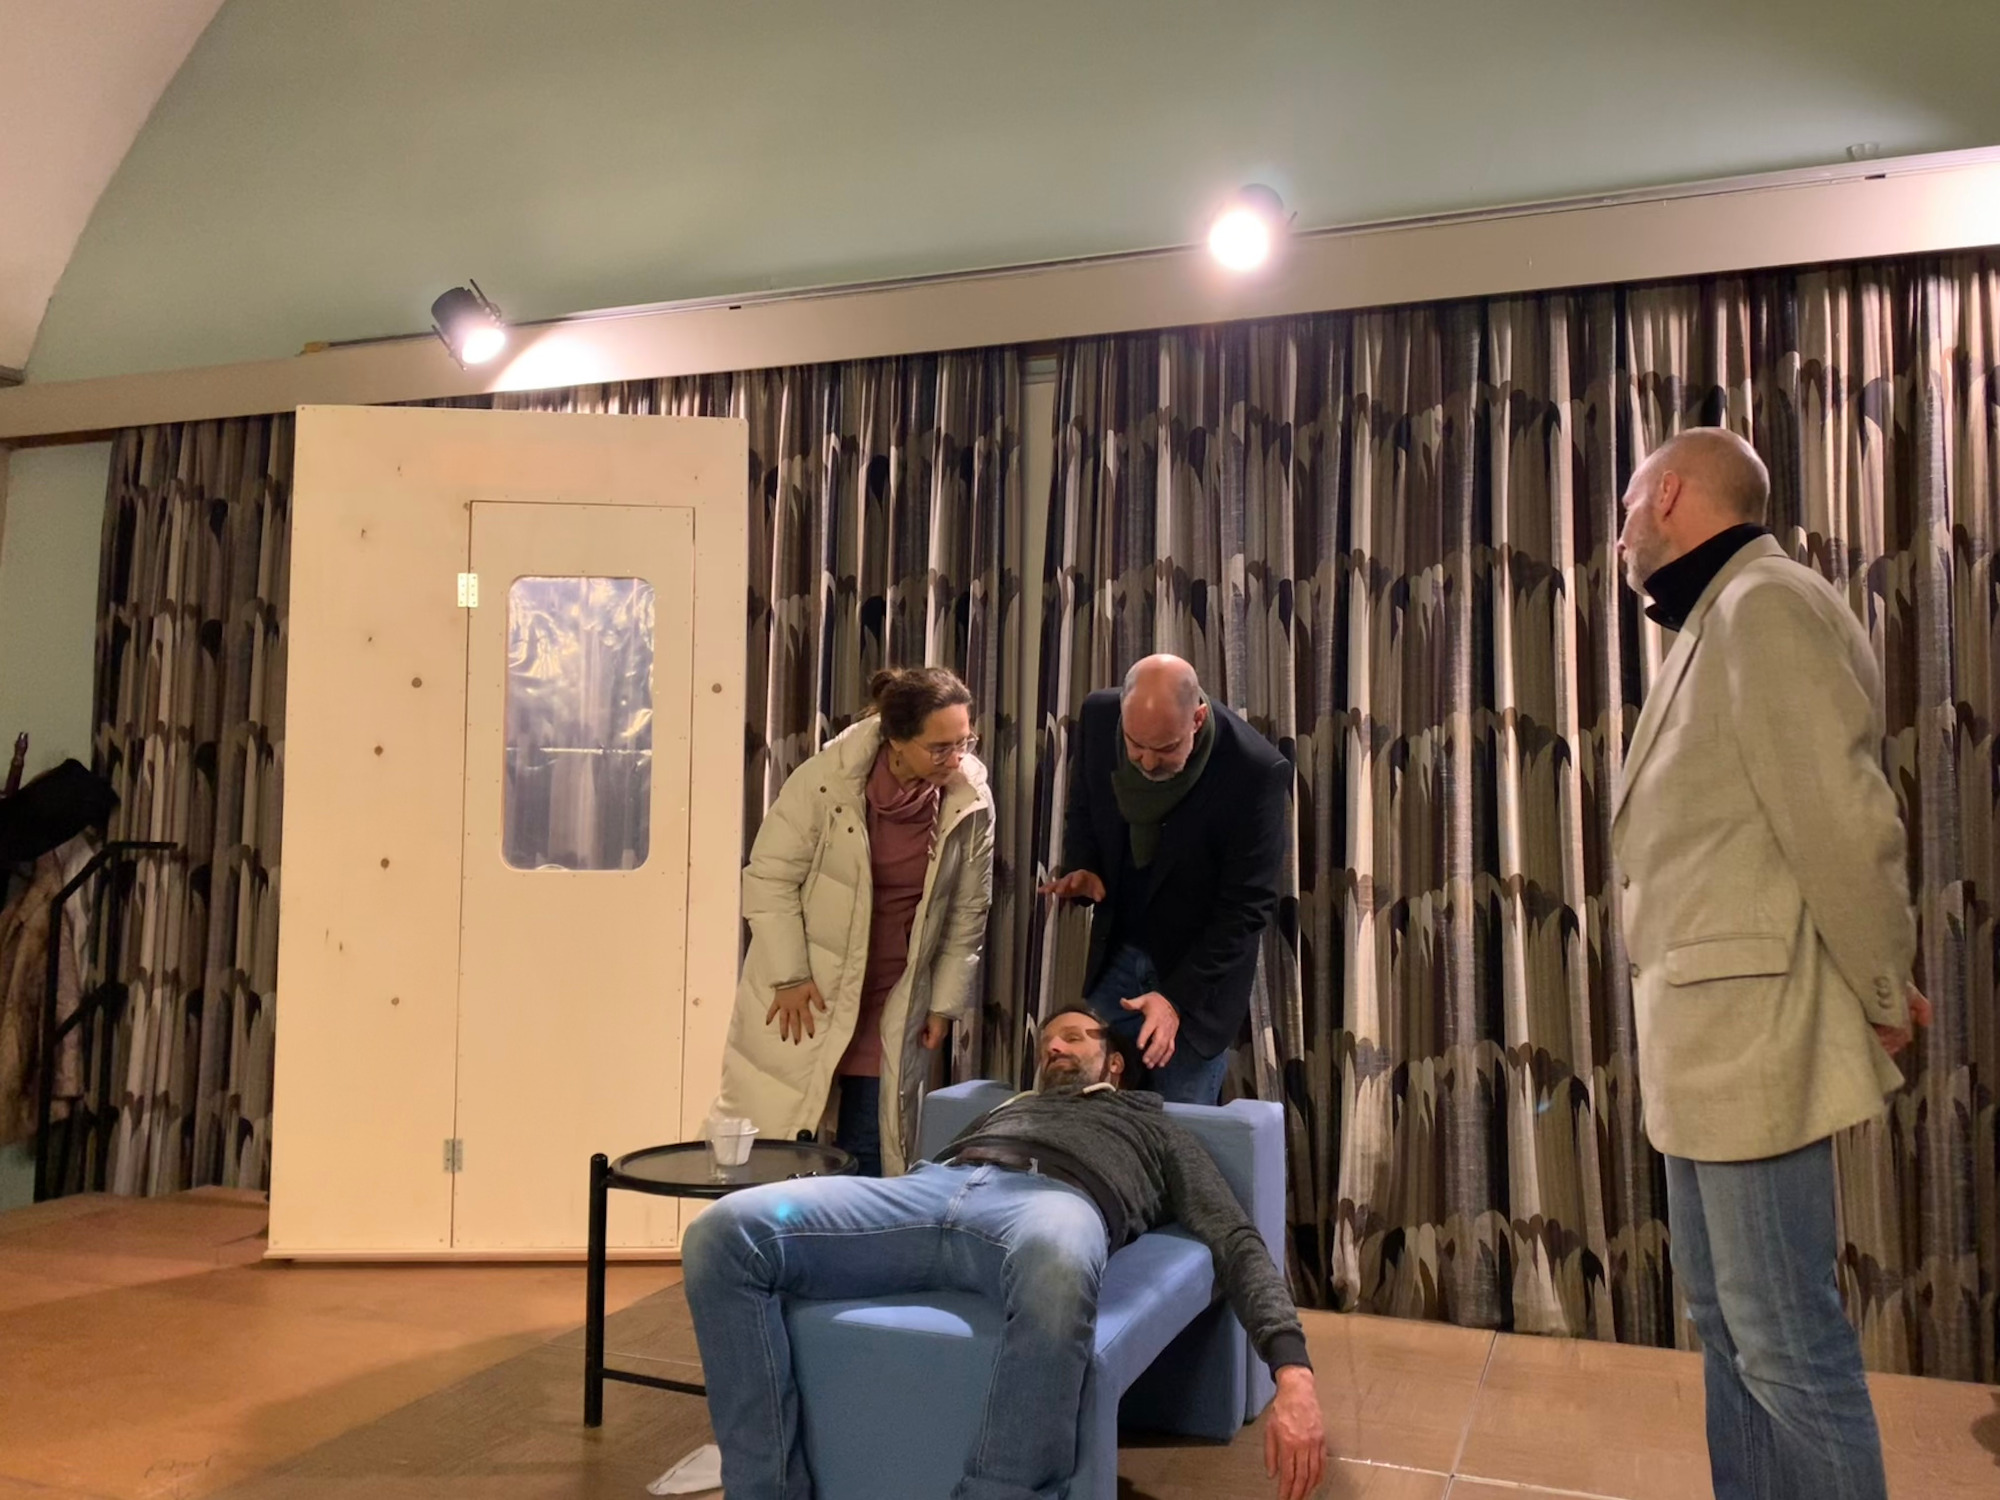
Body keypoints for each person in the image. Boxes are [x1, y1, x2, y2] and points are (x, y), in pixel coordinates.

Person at [1612, 427, 1933, 1500]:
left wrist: (1879, 985)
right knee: (1728, 1325)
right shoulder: (1719, 616)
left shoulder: (1764, 605)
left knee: (1784, 1338)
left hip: (1752, 1038)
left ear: (1668, 493)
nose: (1621, 532)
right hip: (1708, 1041)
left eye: (1627, 505)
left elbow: (1842, 822)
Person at [683, 1008, 1328, 1500]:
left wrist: (1292, 1371)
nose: (1054, 1047)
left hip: (1052, 1202)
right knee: (723, 1233)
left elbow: (1235, 1237)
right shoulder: (1011, 1106)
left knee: (1059, 1268)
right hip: (928, 1190)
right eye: (1047, 1042)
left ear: (1114, 1064)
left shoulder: (1153, 1124)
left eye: (1073, 1037)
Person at [717, 665, 994, 1177]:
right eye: (940, 748)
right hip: (811, 990)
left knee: (871, 1149)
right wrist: (790, 975)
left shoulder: (968, 798)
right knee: (783, 1144)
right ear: (897, 741)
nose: (956, 758)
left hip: (894, 996)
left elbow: (967, 909)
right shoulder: (825, 782)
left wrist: (943, 1003)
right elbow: (768, 879)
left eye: (965, 742)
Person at [1038, 654, 1291, 1104]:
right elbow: (1085, 804)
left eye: (1166, 748)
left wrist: (1175, 999)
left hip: (1194, 978)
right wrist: (1085, 864)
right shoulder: (1099, 717)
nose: (1148, 762)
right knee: (1089, 1112)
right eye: (1136, 745)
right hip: (1118, 955)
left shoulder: (1254, 770)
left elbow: (1247, 908)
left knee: (1175, 1126)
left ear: (1197, 719)